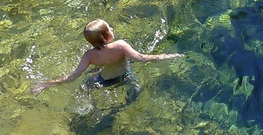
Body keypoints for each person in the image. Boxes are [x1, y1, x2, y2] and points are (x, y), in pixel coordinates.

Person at [31, 19, 182, 94]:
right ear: (105, 36)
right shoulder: (121, 45)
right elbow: (142, 58)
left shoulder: (89, 55)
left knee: (87, 84)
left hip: (103, 80)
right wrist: (169, 55)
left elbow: (73, 76)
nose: (112, 28)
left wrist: (47, 83)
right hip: (125, 76)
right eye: (109, 28)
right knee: (135, 90)